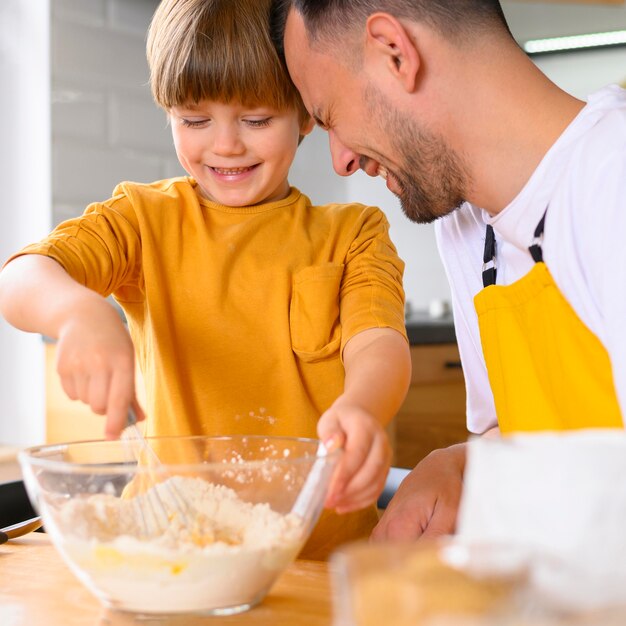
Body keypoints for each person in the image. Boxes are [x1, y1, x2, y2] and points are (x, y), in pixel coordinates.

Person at [0, 0, 412, 559]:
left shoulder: (353, 232)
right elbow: (22, 276)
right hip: (173, 546)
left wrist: (364, 406)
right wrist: (77, 312)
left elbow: (379, 342)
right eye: (194, 120)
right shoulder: (143, 221)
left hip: (316, 556)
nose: (224, 145)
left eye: (256, 119)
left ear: (307, 112)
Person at [271, 0, 626, 541]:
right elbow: (529, 439)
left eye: (328, 116)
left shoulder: (613, 177)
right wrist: (458, 467)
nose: (339, 159)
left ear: (395, 52)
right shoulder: (465, 224)